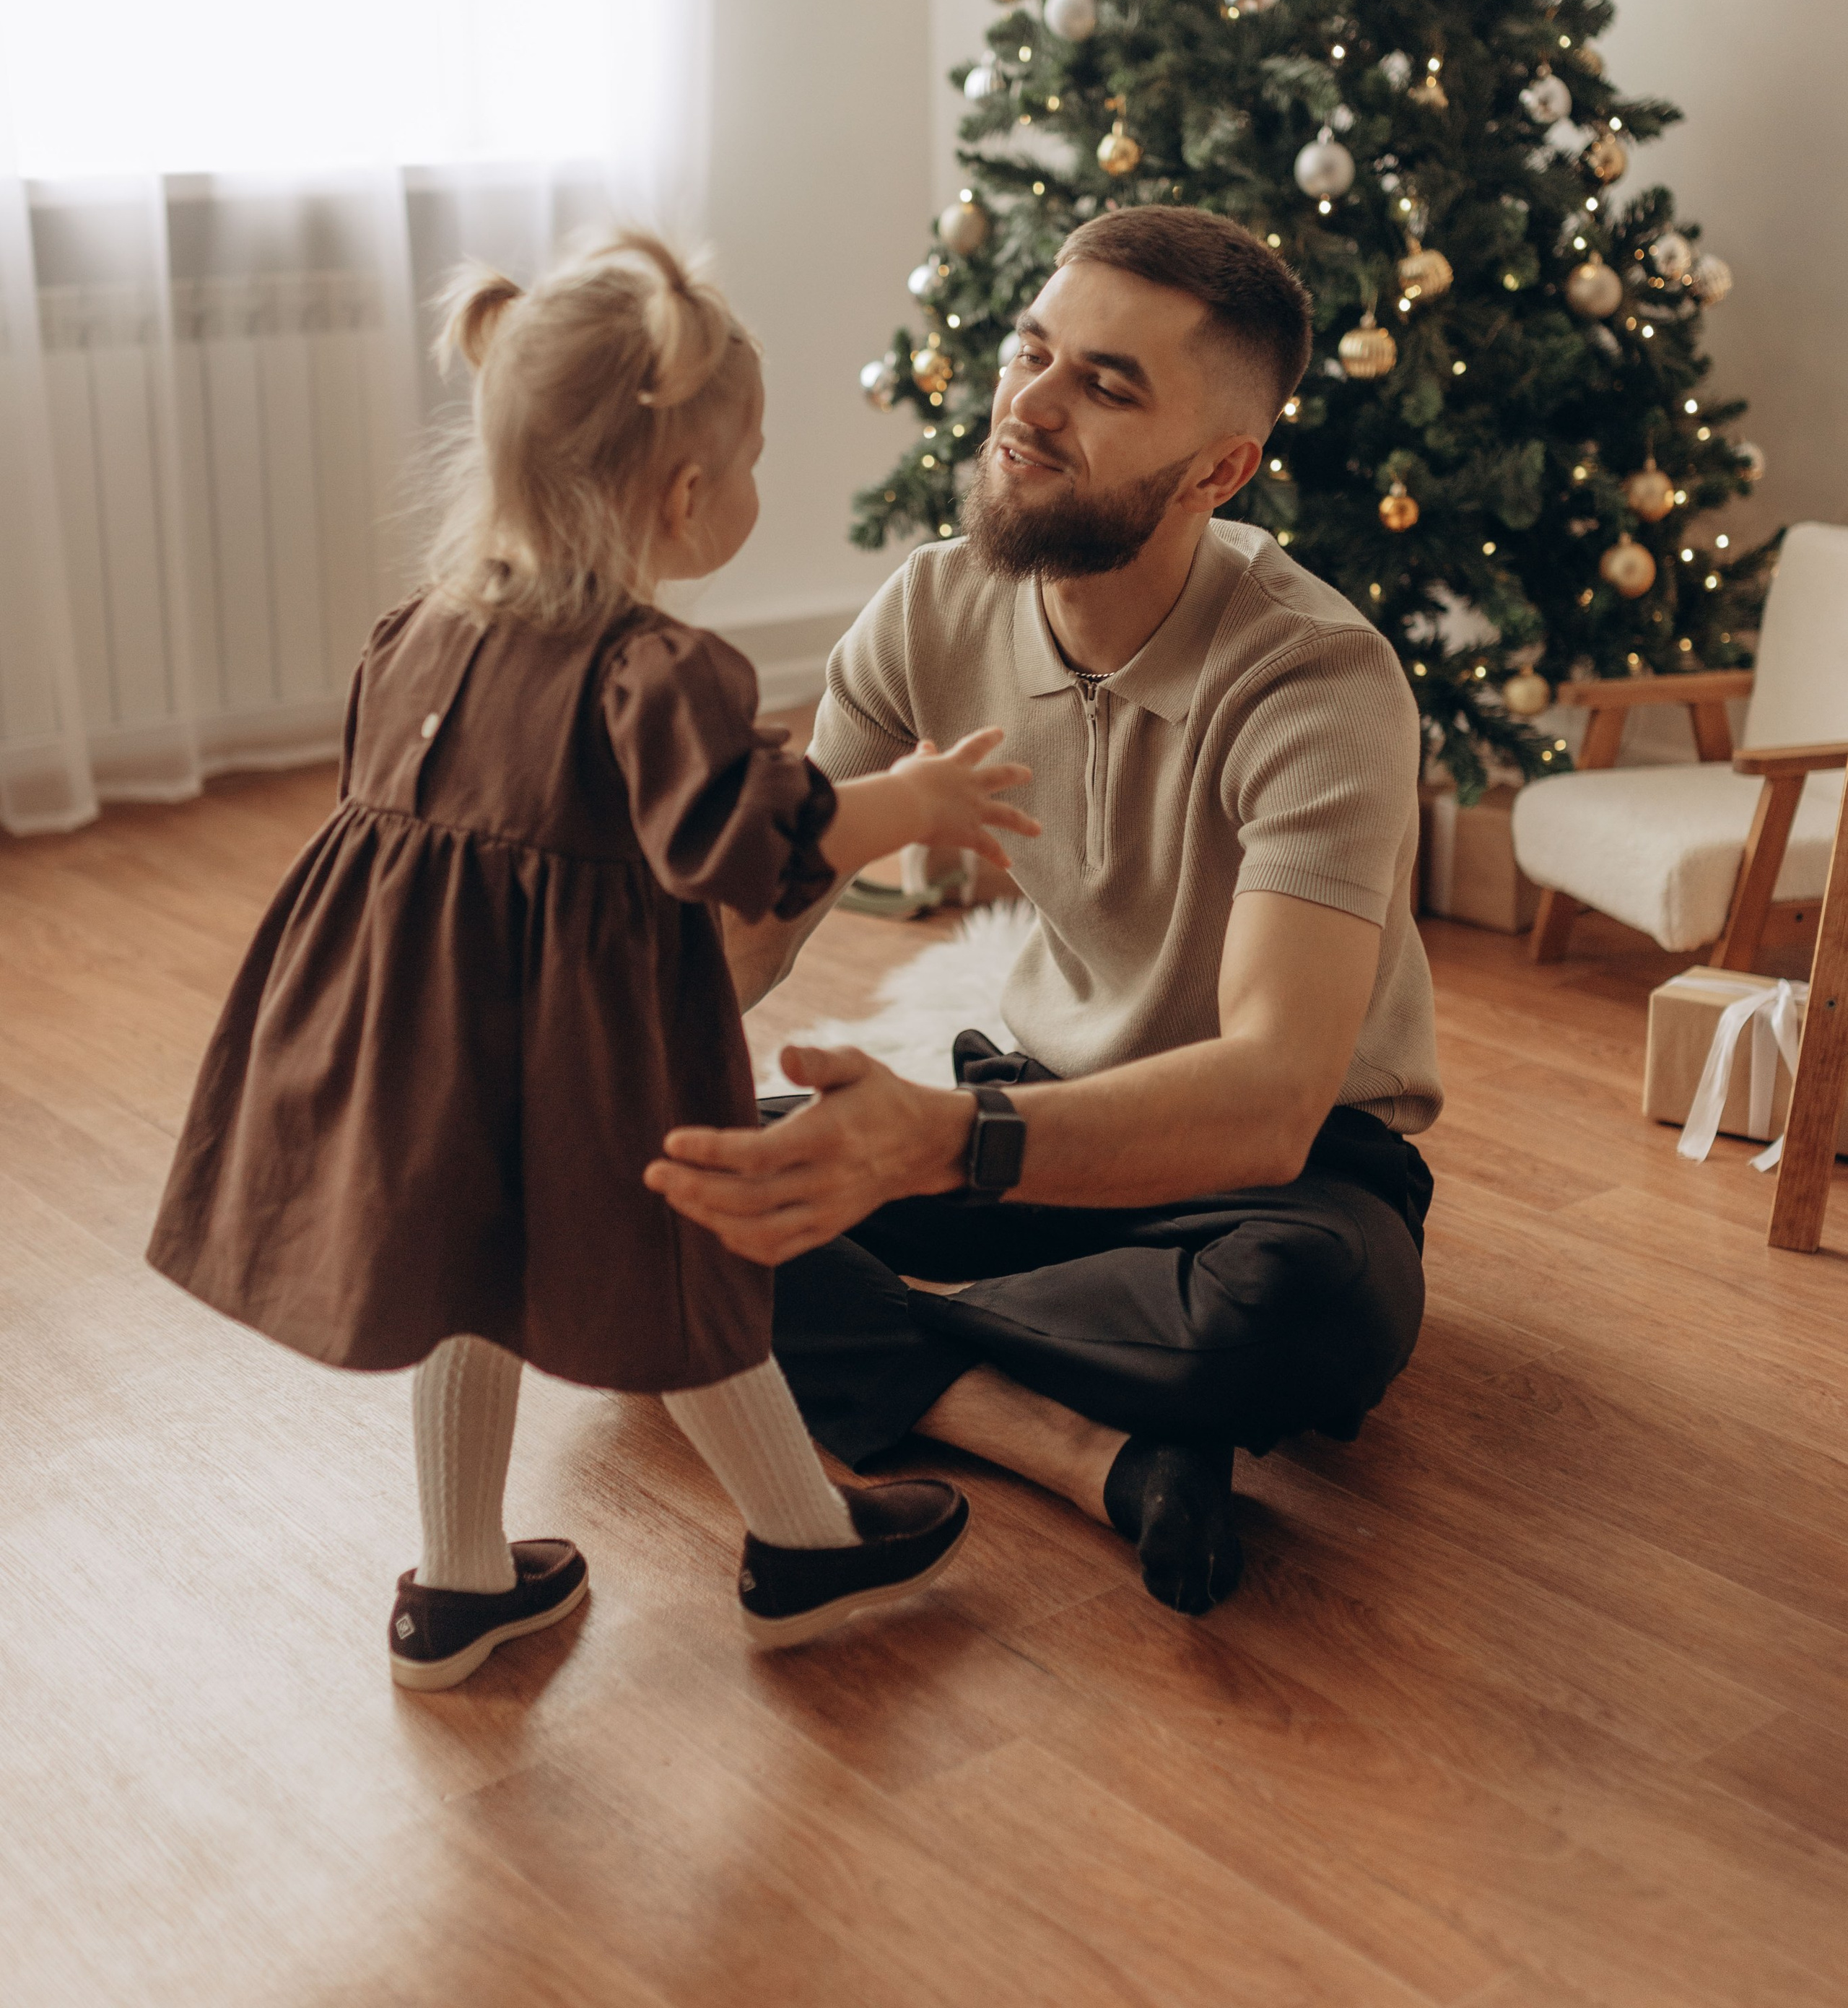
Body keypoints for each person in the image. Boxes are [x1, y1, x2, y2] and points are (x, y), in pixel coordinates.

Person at [147, 233, 1040, 1687]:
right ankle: (805, 1547)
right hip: (584, 1056)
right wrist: (911, 803)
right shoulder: (652, 673)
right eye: (748, 461)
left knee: (465, 1275)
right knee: (690, 1285)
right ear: (684, 494)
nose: (752, 486)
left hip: (419, 1045)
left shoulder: (416, 635)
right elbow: (746, 843)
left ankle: (457, 1587)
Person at [645, 207, 1439, 1616]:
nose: (1028, 403)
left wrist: (933, 1147)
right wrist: (591, 1062)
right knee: (651, 1193)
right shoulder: (929, 612)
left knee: (1304, 1309)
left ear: (1218, 469)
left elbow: (1267, 1094)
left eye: (1104, 385)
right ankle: (1093, 1450)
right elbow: (765, 915)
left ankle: (894, 1341)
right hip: (1027, 1116)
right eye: (1031, 354)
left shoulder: (1315, 679)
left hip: (1276, 1173)